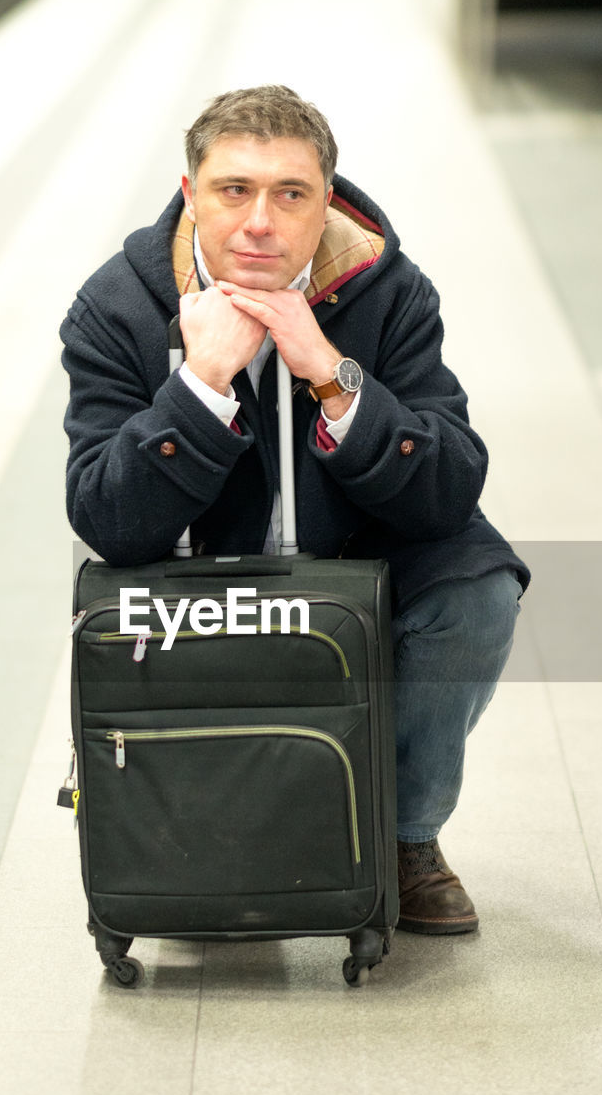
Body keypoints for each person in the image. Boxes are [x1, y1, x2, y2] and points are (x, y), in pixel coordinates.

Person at [60, 84, 529, 935]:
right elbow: (107, 519)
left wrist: (330, 374)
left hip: (362, 553)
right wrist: (198, 386)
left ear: (325, 204)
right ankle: (195, 825)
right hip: (195, 574)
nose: (259, 223)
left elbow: (450, 485)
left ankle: (401, 838)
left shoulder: (386, 290)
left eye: (290, 194)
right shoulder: (118, 308)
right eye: (233, 190)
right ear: (190, 193)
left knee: (478, 589)